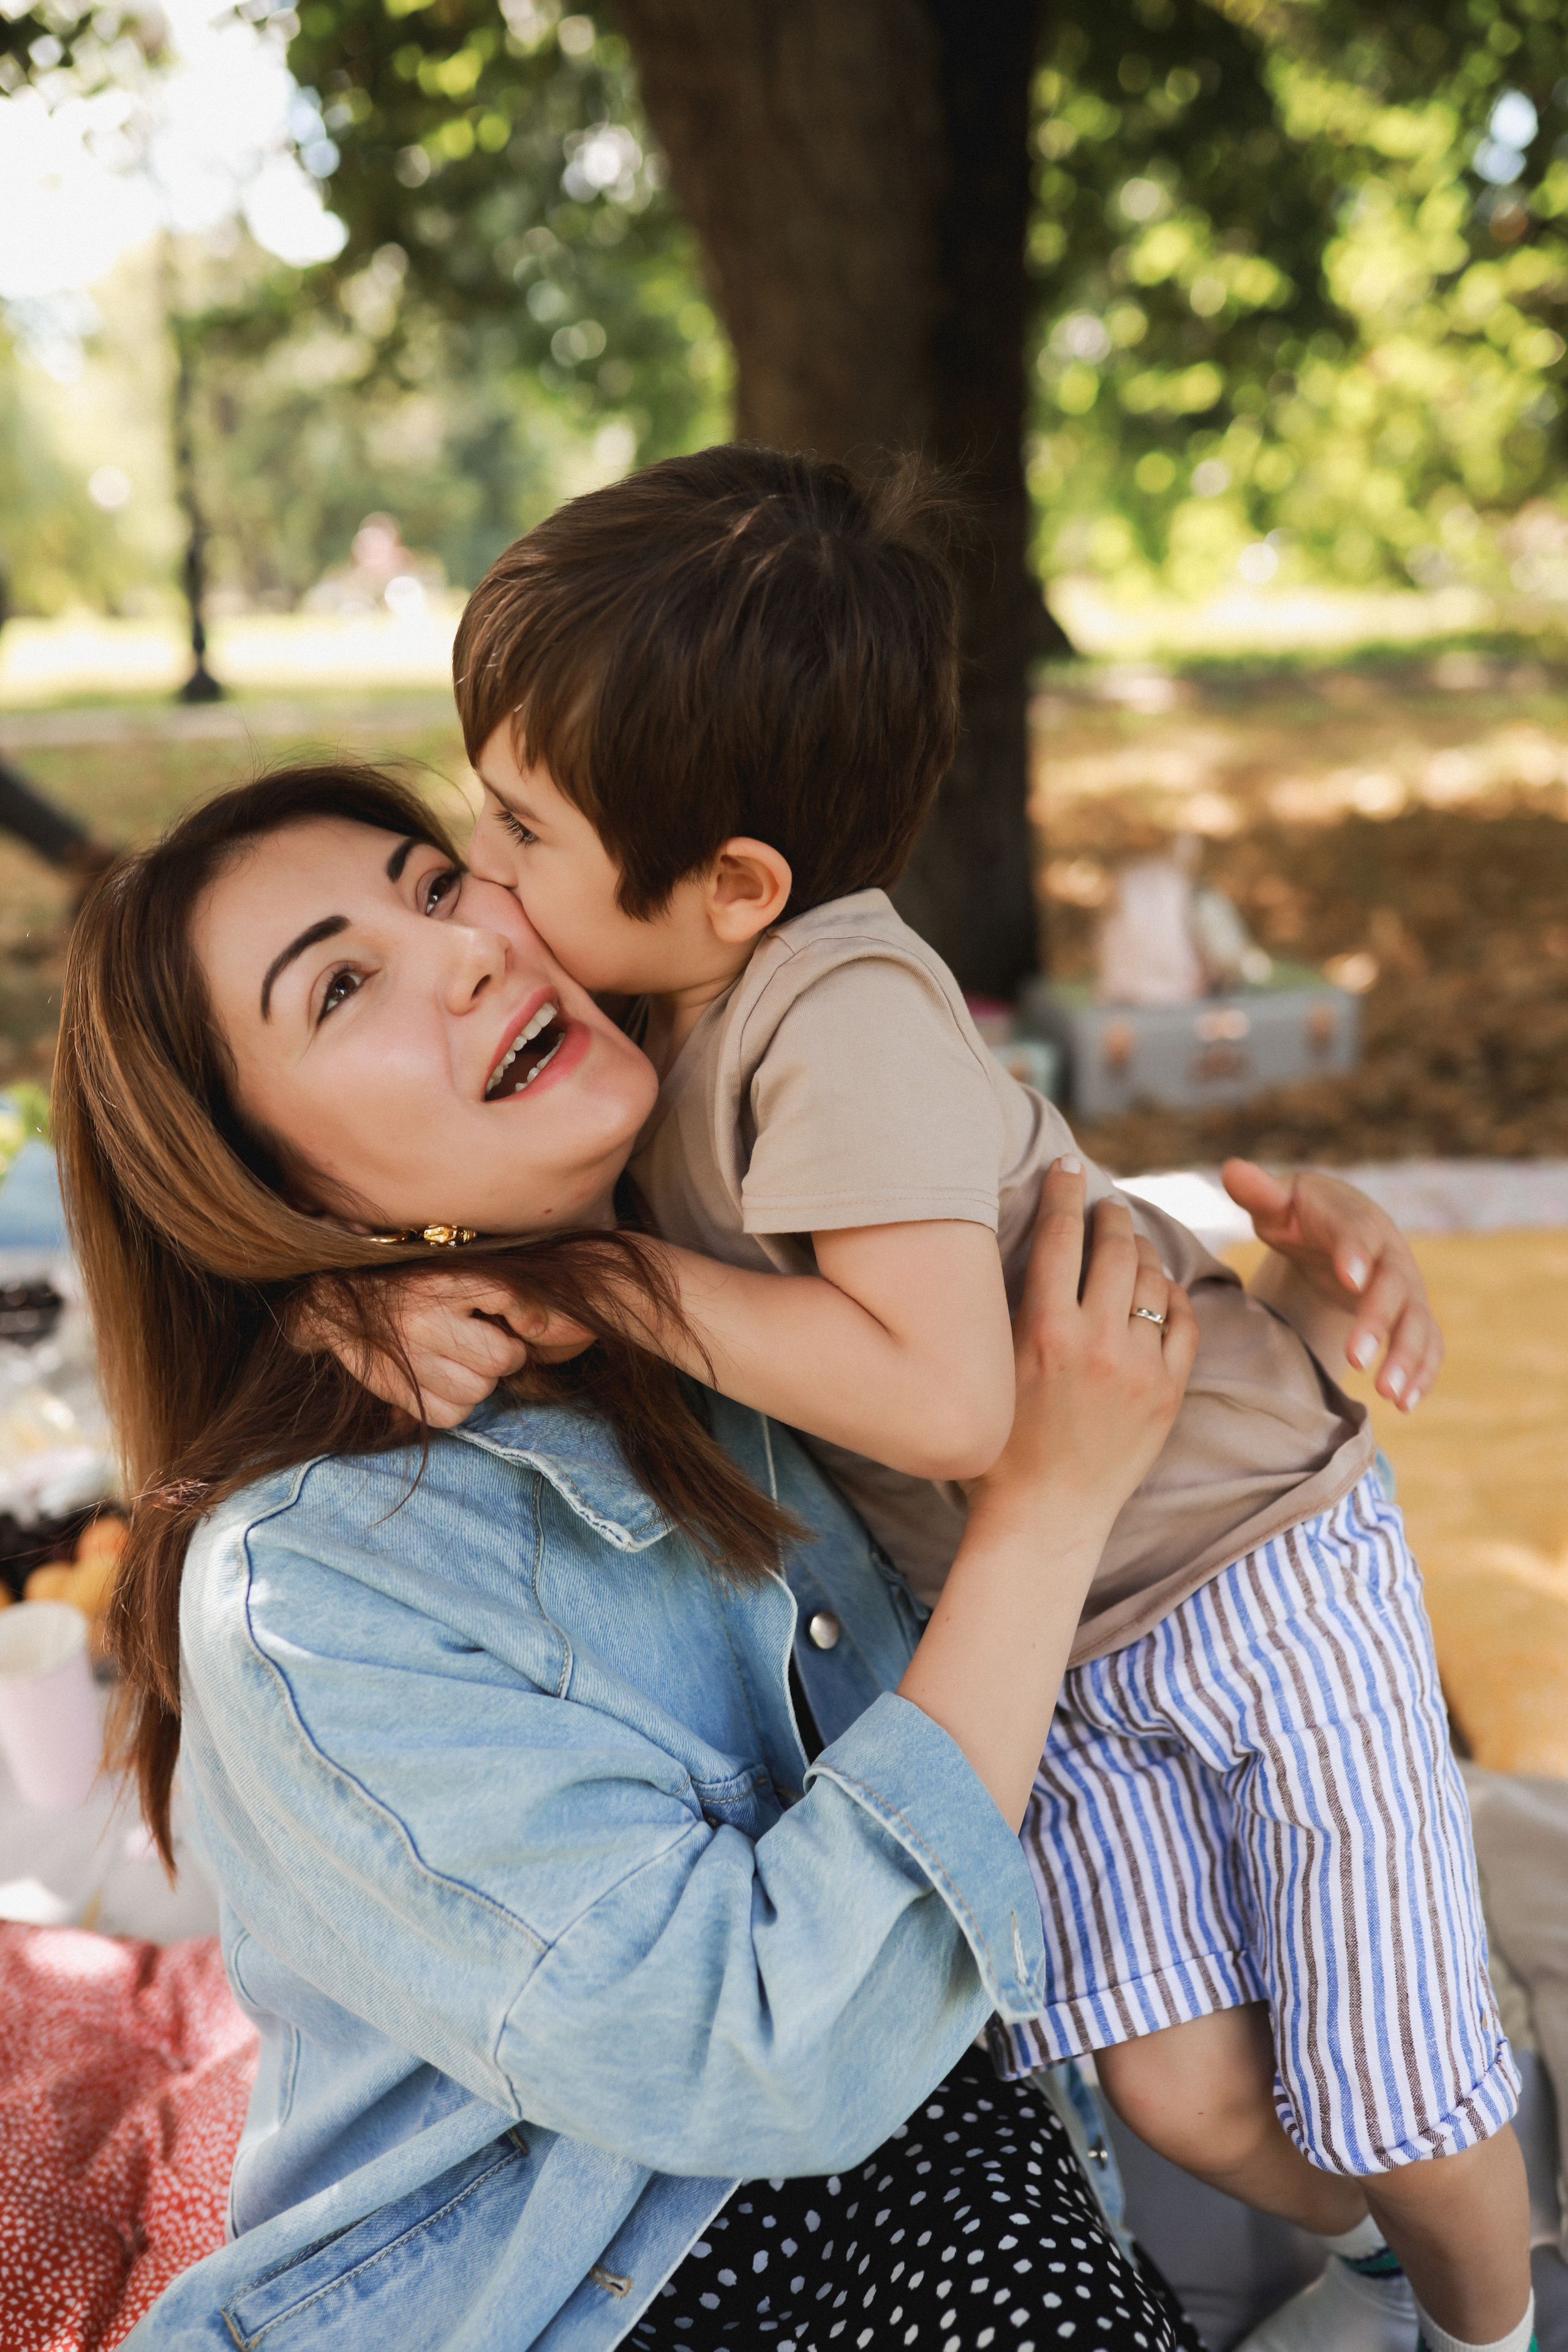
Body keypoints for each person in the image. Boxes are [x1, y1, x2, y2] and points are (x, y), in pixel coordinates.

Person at [339, 448, 1533, 2352]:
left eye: (517, 828)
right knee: (1177, 2090)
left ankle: (1489, 2323)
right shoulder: (657, 1024)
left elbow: (954, 1399)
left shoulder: (835, 1009)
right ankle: (1400, 2243)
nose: (484, 879)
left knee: (1395, 2079)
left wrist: (611, 1284)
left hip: (1249, 1556)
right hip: (1063, 1633)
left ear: (734, 885)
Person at [57, 763, 1207, 2352]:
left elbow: (1025, 1238)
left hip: (939, 2127)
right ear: (261, 1188)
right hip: (585, 2272)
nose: (466, 946)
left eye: (434, 879)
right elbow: (763, 2051)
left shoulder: (716, 1242)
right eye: (340, 985)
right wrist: (1043, 1515)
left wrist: (1289, 1267)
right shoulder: (313, 1585)